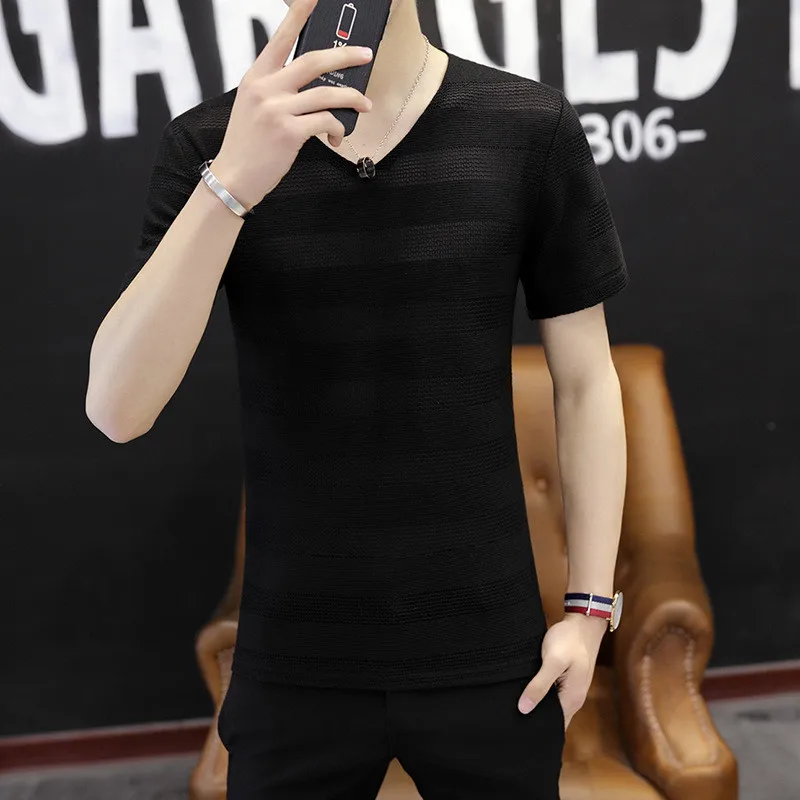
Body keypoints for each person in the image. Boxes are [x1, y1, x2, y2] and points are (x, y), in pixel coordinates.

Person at [86, 0, 630, 796]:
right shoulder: (209, 143)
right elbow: (116, 409)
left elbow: (585, 382)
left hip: (488, 651)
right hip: (294, 660)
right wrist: (231, 181)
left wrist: (588, 614)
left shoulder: (525, 126)